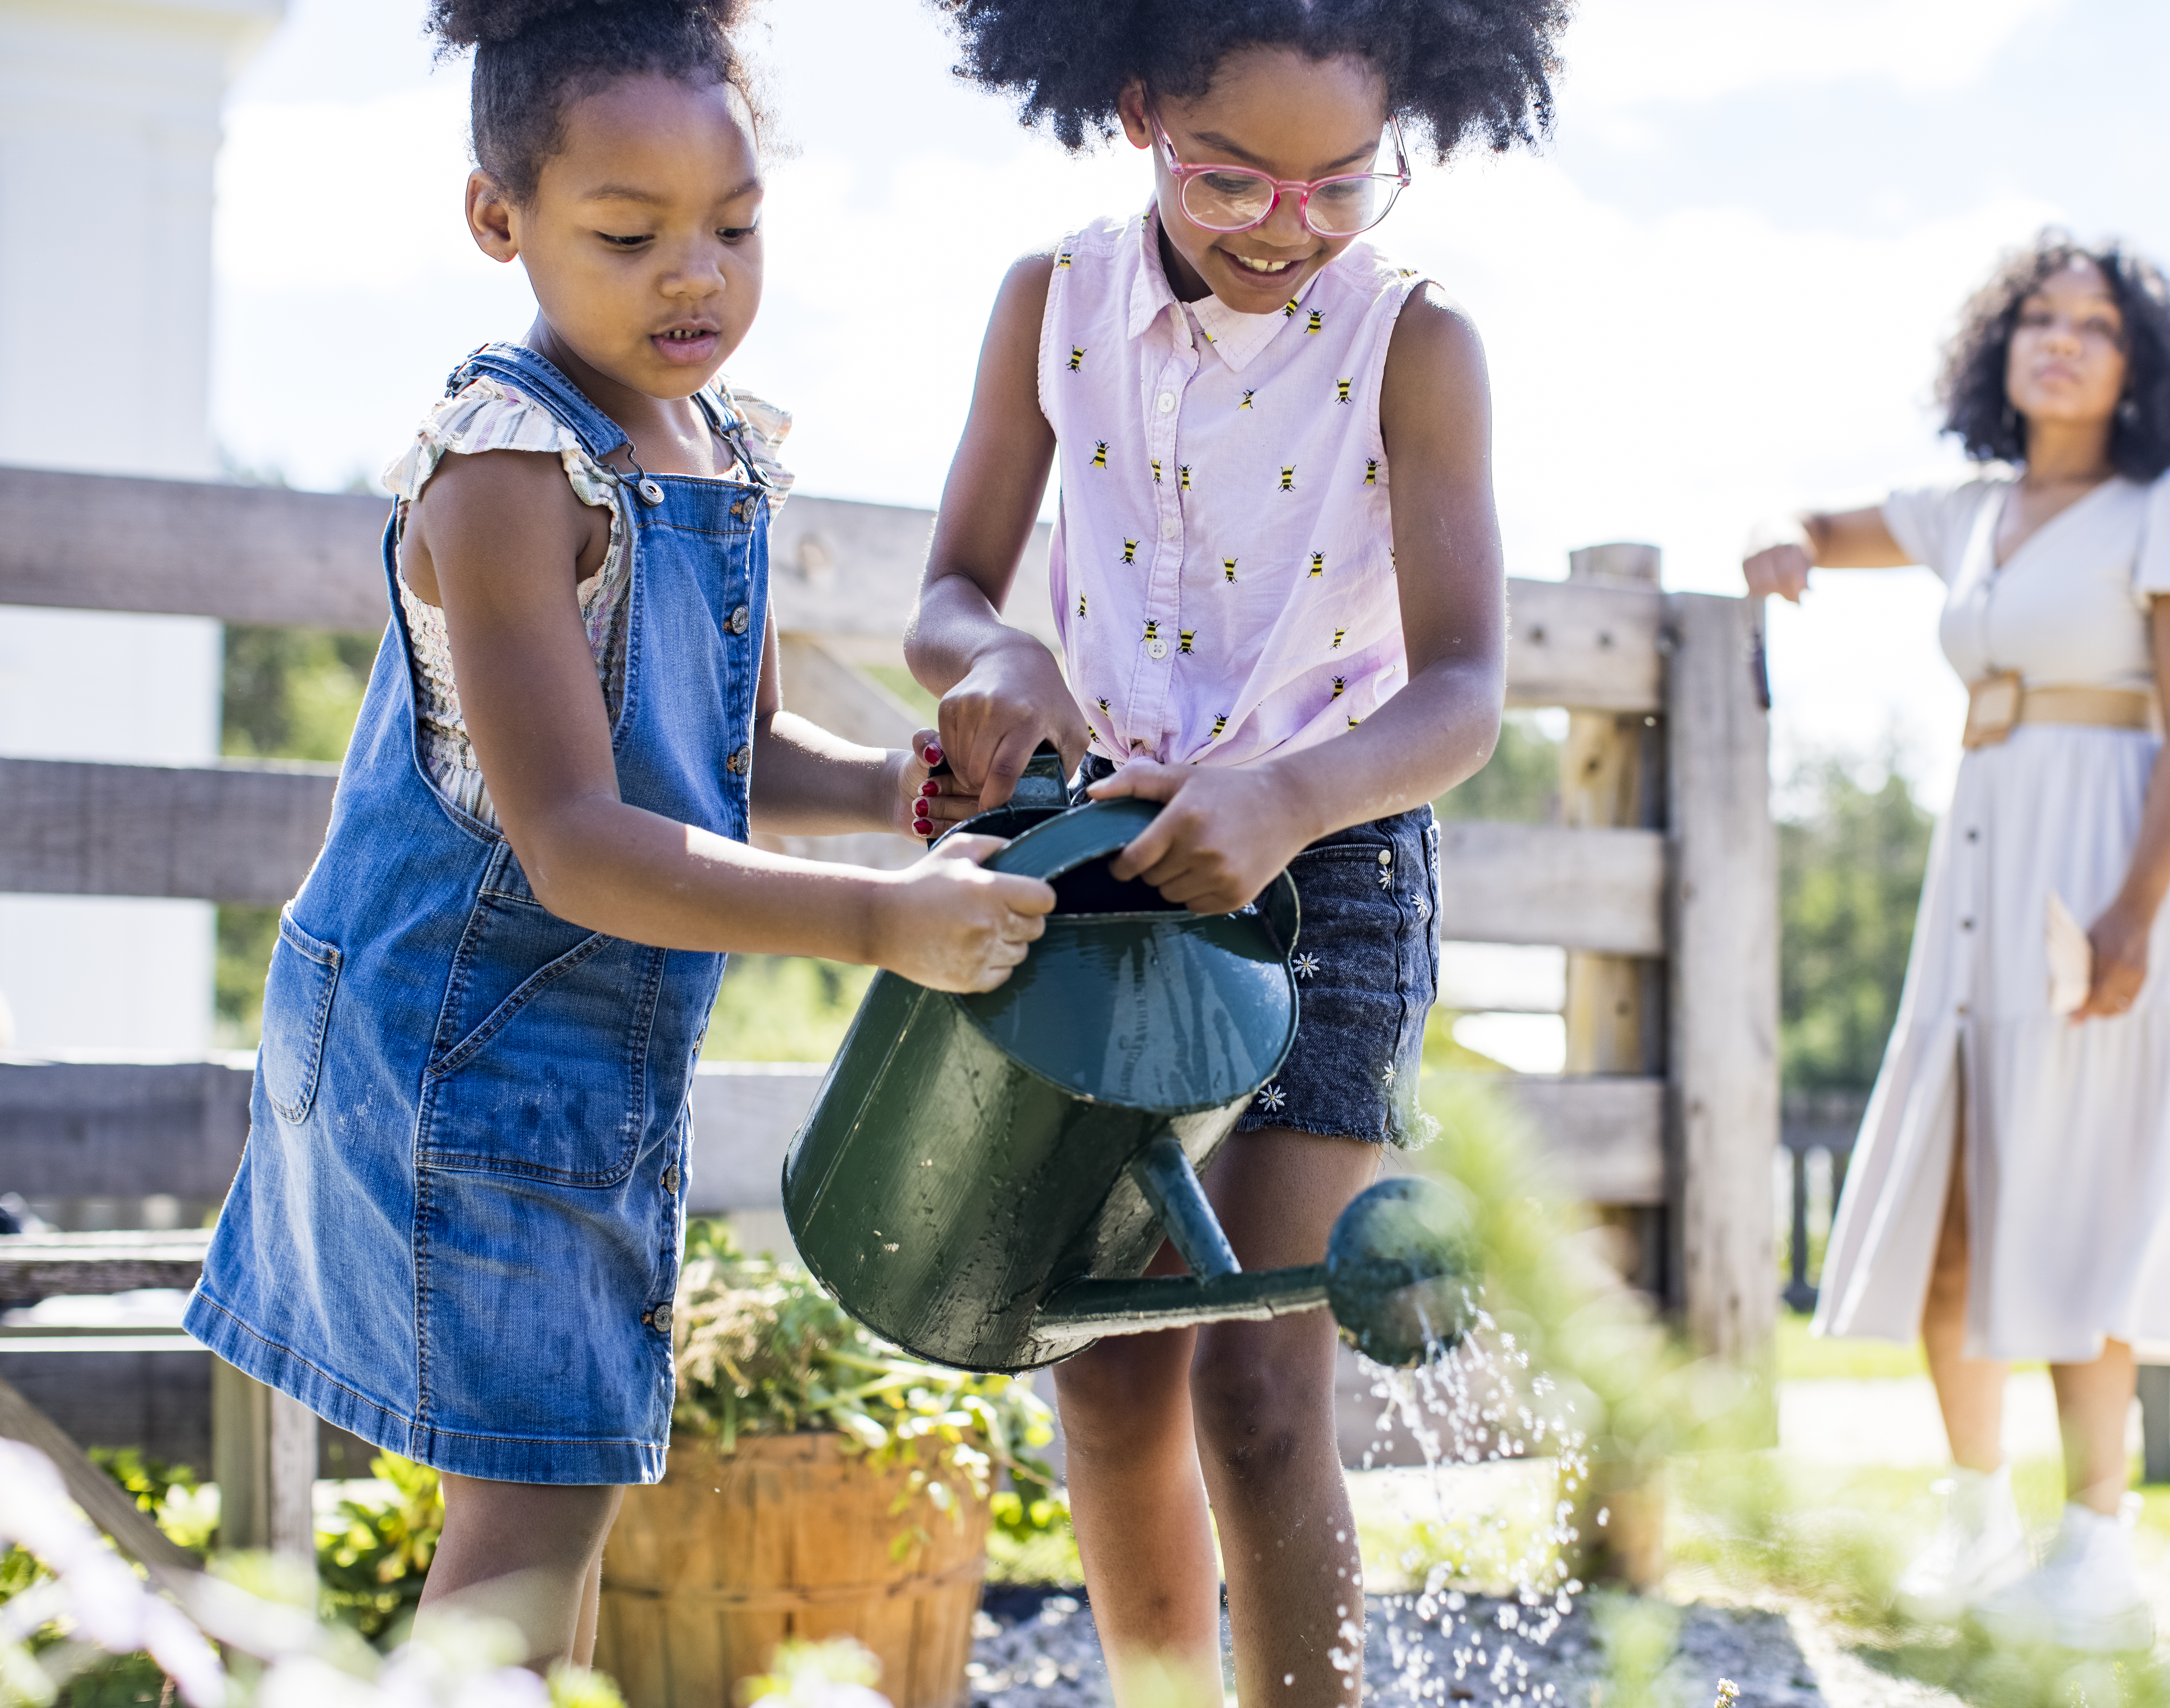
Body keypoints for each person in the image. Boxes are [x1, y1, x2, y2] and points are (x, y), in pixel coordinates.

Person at [183, 0, 1055, 1668]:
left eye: (735, 228)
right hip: (464, 1051)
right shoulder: (506, 473)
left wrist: (886, 799)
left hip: (582, 1061)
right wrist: (877, 923)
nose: (696, 277)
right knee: (530, 1521)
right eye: (630, 234)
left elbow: (718, 755)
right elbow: (581, 836)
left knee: (555, 1496)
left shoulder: (715, 449)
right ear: (498, 220)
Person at [905, 2, 1565, 1699]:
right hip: (1106, 856)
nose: (1288, 225)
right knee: (1112, 1372)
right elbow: (952, 594)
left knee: (1258, 1389)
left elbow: (1467, 692)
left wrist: (1287, 797)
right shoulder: (1051, 305)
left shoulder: (1419, 342)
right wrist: (1000, 664)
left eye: (1344, 185)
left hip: (1330, 863)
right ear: (1135, 113)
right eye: (1232, 178)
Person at [1744, 232, 2170, 1652]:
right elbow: (1834, 531)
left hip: (2104, 853)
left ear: (2134, 365)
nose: (2061, 340)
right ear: (1999, 346)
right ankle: (1973, 1513)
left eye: (2094, 326)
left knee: (2080, 1195)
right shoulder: (1973, 511)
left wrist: (2130, 913)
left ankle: (2096, 1539)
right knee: (1954, 1203)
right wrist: (1785, 543)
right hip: (1976, 860)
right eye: (2038, 316)